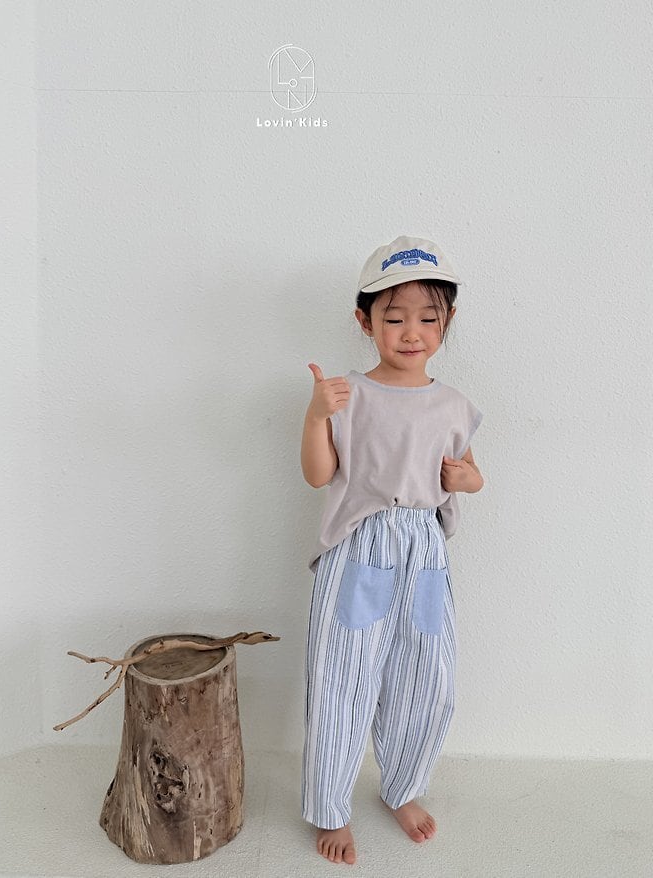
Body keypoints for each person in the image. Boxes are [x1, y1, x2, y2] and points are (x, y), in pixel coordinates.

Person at [300, 235, 484, 865]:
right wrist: (315, 417)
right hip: (362, 549)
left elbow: (469, 474)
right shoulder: (348, 395)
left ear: (447, 321)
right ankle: (331, 807)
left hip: (424, 552)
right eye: (394, 317)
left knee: (425, 676)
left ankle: (402, 787)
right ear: (365, 321)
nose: (412, 333)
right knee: (342, 677)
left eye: (428, 318)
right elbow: (320, 476)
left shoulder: (453, 405)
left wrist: (466, 479)